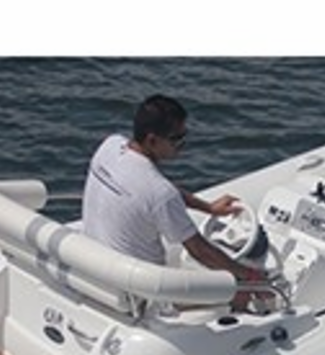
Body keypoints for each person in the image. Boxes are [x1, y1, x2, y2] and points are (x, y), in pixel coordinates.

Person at [82, 94, 269, 310]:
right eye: (176, 138)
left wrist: (208, 208)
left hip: (96, 273)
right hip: (144, 295)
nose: (182, 145)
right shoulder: (159, 192)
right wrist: (250, 275)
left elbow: (155, 188)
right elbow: (200, 251)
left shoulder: (111, 146)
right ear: (152, 140)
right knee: (240, 289)